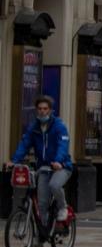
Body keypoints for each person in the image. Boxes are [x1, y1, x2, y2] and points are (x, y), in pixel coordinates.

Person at [5, 96, 73, 234]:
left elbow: (63, 145)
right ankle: (42, 234)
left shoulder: (59, 126)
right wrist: (14, 161)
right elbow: (24, 145)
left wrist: (58, 161)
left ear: (50, 110)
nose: (42, 112)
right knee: (41, 203)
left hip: (62, 166)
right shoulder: (34, 127)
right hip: (43, 168)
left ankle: (62, 207)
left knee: (54, 185)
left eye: (45, 109)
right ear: (36, 110)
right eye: (40, 109)